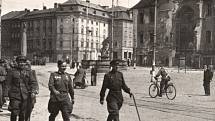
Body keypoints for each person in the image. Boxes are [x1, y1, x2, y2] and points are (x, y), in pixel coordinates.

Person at [5, 55, 39, 121]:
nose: (21, 63)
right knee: (14, 112)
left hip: (25, 96)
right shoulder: (12, 72)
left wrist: (33, 91)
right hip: (14, 95)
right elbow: (7, 84)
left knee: (22, 114)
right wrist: (6, 95)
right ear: (17, 63)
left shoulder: (29, 72)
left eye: (23, 62)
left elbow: (33, 82)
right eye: (20, 62)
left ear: (25, 63)